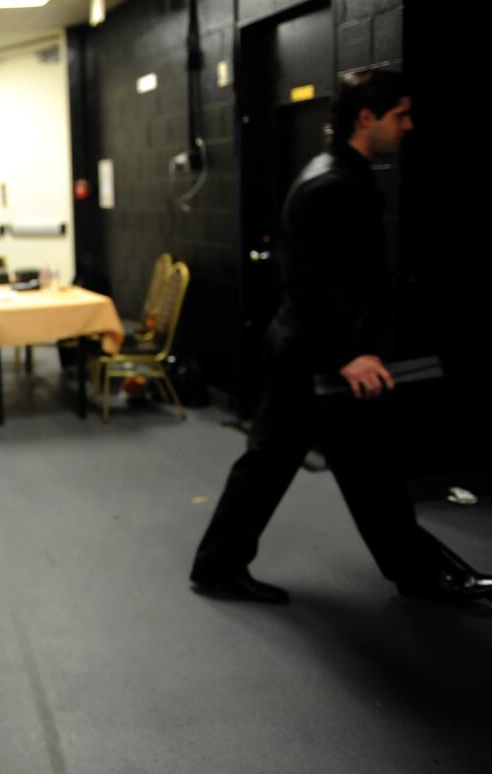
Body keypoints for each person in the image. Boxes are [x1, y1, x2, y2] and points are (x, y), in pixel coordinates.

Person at [190, 70, 492, 604]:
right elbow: (308, 283)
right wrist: (349, 354)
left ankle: (220, 566)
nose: (408, 125)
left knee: (322, 465)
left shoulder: (343, 175)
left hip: (308, 353)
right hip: (317, 358)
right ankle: (420, 575)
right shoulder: (330, 183)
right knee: (353, 468)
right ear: (366, 117)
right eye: (400, 115)